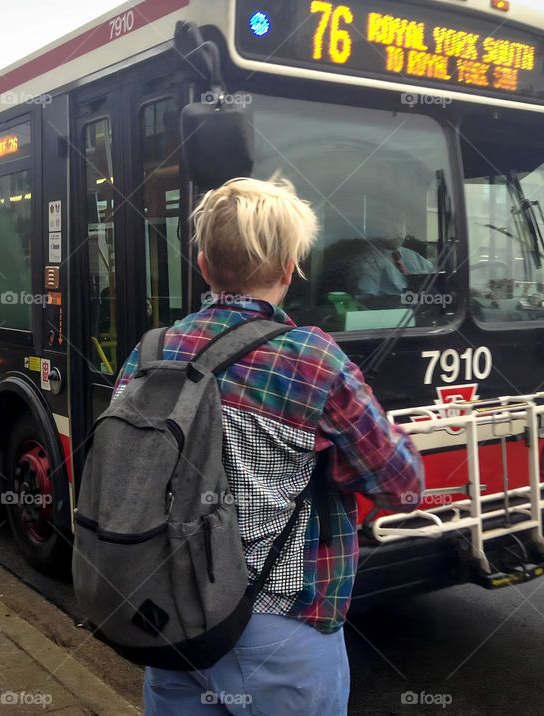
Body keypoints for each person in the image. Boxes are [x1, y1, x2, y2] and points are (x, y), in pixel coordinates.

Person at [112, 177, 424, 715]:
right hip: (280, 626)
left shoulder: (149, 353)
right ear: (289, 269)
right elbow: (403, 487)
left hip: (170, 620)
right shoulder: (312, 360)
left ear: (205, 266)